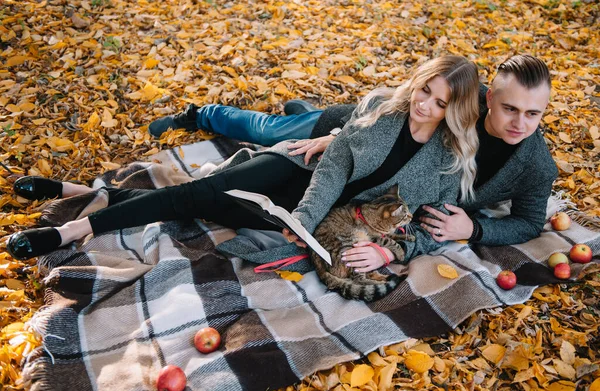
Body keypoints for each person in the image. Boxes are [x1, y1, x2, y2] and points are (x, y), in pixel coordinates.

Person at [8, 56, 481, 273]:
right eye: (424, 91)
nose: (425, 106)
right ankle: (73, 231)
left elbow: (423, 227)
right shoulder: (382, 109)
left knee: (206, 210)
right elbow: (333, 168)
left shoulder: (445, 162)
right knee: (197, 194)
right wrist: (305, 217)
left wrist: (390, 252)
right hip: (299, 177)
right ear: (415, 84)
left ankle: (80, 191)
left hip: (326, 215)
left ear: (453, 112)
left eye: (440, 103)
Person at [145, 54, 556, 247]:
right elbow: (407, 107)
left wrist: (477, 229)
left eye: (534, 114)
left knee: (285, 133)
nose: (520, 123)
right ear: (489, 98)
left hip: (372, 180)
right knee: (271, 131)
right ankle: (201, 113)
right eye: (509, 108)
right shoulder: (462, 101)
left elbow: (528, 222)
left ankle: (301, 110)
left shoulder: (535, 165)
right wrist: (341, 134)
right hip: (350, 131)